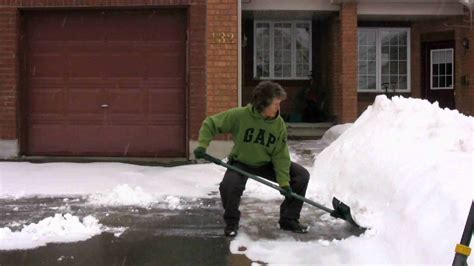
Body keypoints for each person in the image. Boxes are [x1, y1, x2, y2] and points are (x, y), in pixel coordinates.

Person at [194, 81, 310, 237]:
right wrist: (202, 145)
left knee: (301, 176)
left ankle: (289, 219)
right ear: (263, 104)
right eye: (275, 104)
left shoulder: (278, 124)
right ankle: (232, 223)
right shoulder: (241, 115)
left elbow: (280, 155)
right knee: (229, 186)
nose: (279, 108)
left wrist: (284, 181)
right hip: (241, 162)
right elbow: (211, 123)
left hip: (266, 164)